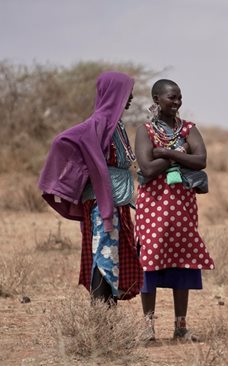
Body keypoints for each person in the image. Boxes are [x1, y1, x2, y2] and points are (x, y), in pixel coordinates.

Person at [38, 71, 142, 304]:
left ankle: (107, 314)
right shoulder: (96, 124)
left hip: (117, 200)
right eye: (128, 93)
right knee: (104, 253)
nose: (132, 98)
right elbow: (62, 141)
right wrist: (76, 172)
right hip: (103, 201)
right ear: (115, 94)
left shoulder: (115, 125)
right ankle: (100, 315)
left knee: (111, 253)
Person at [134, 79, 214, 341]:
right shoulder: (144, 130)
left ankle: (181, 327)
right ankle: (148, 328)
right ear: (157, 99)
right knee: (150, 262)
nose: (177, 102)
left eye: (179, 97)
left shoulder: (189, 129)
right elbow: (146, 168)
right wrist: (179, 153)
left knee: (184, 262)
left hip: (182, 207)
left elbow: (200, 160)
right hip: (153, 206)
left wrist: (163, 153)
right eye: (171, 98)